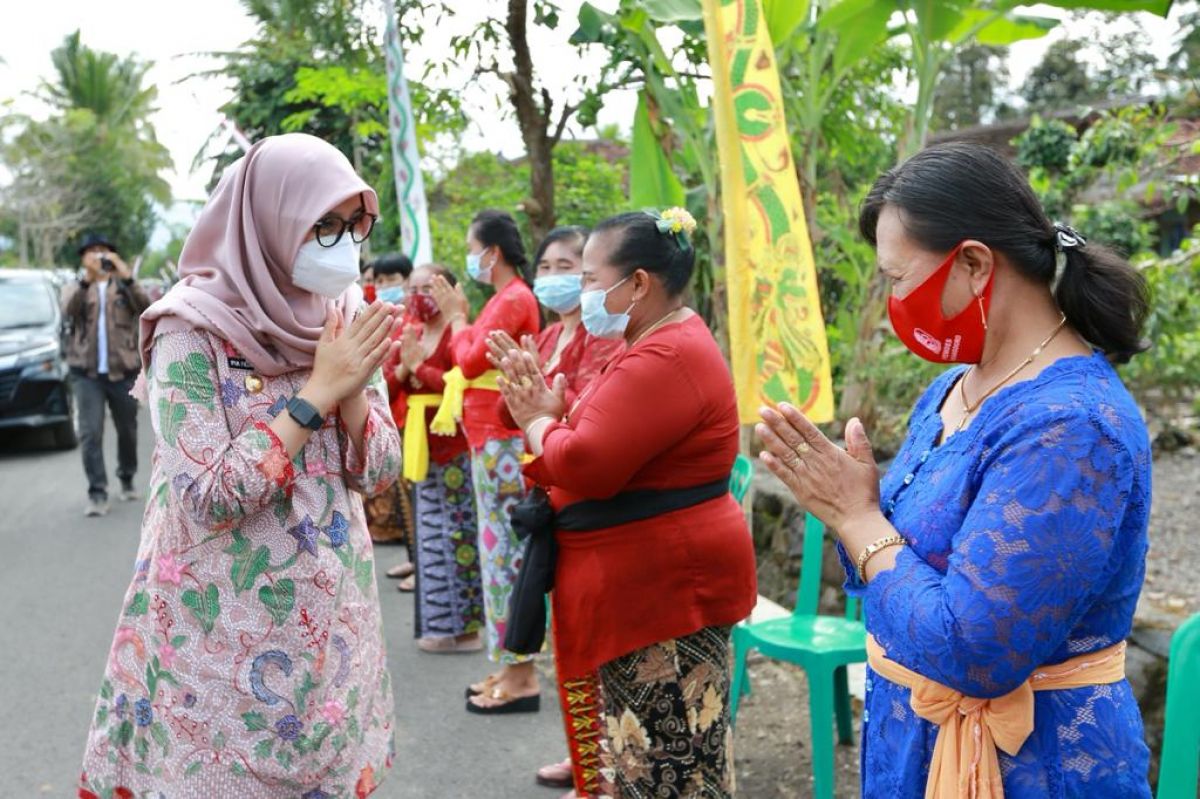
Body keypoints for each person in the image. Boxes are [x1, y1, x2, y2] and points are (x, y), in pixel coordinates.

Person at [757, 142, 1153, 798]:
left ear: (973, 263)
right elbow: (896, 559)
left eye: (896, 276)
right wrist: (859, 508)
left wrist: (859, 519)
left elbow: (976, 649)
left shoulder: (1071, 424)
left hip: (1032, 765)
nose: (891, 303)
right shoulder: (950, 391)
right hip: (909, 737)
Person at [78, 133, 403, 799]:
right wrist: (317, 393)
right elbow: (208, 493)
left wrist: (353, 398)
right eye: (324, 226)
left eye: (352, 226)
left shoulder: (342, 314)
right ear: (270, 222)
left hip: (331, 628)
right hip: (220, 629)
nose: (343, 245)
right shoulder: (188, 330)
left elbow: (381, 473)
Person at [494, 208, 757, 796]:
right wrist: (552, 417)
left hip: (662, 593)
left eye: (589, 277)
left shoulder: (666, 354)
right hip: (640, 585)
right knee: (645, 756)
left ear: (638, 283)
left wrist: (539, 422)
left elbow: (587, 464)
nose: (582, 291)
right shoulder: (652, 341)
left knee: (670, 763)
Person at [486, 226, 624, 797]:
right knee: (569, 640)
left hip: (591, 504)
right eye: (546, 265)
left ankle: (606, 766)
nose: (555, 276)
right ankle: (582, 756)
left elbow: (591, 419)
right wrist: (526, 389)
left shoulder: (607, 342)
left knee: (598, 642)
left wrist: (548, 406)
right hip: (548, 498)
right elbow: (505, 412)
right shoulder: (543, 341)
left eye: (570, 266)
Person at [428, 209, 541, 714]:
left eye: (473, 248)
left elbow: (468, 359)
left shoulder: (514, 298)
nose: (470, 258)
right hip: (489, 439)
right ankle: (508, 664)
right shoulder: (504, 299)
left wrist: (456, 317)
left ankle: (520, 672)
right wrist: (465, 326)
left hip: (501, 442)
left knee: (505, 558)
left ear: (491, 253)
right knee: (497, 555)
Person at [392, 263, 486, 652]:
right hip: (418, 443)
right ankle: (439, 626)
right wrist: (403, 367)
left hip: (452, 445)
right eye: (412, 287)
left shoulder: (458, 331)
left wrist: (418, 368)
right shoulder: (410, 329)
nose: (418, 295)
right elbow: (388, 378)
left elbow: (460, 382)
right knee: (430, 536)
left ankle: (465, 630)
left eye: (427, 286)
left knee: (458, 533)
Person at [62, 233, 152, 517]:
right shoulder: (76, 287)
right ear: (82, 258)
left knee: (127, 429)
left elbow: (146, 307)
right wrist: (86, 279)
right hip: (86, 373)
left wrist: (126, 276)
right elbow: (68, 311)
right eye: (91, 252)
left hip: (123, 371)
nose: (98, 257)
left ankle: (126, 476)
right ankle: (97, 492)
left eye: (103, 252)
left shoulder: (123, 285)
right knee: (90, 433)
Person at [365, 252, 419, 556]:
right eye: (379, 280)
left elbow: (394, 374)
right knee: (404, 496)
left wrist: (397, 374)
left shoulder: (411, 324)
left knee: (411, 496)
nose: (384, 286)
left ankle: (417, 565)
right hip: (393, 410)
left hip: (409, 415)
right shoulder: (386, 320)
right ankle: (415, 563)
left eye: (391, 280)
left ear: (407, 280)